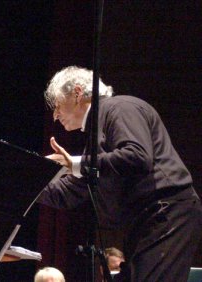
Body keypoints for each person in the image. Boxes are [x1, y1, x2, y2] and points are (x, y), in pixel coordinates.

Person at [38, 66, 202, 281]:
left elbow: (138, 156)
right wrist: (27, 181)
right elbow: (68, 193)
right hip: (146, 220)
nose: (55, 115)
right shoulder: (96, 137)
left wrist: (77, 163)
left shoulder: (120, 106)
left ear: (78, 93)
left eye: (57, 105)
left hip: (166, 212)